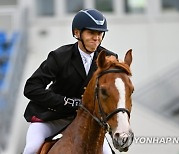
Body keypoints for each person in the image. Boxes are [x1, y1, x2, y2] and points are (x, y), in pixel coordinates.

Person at [23, 8, 118, 154]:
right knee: (31, 148)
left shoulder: (108, 59)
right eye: (91, 33)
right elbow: (31, 88)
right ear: (77, 33)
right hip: (53, 117)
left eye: (100, 33)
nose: (97, 38)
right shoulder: (60, 57)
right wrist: (66, 101)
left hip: (87, 122)